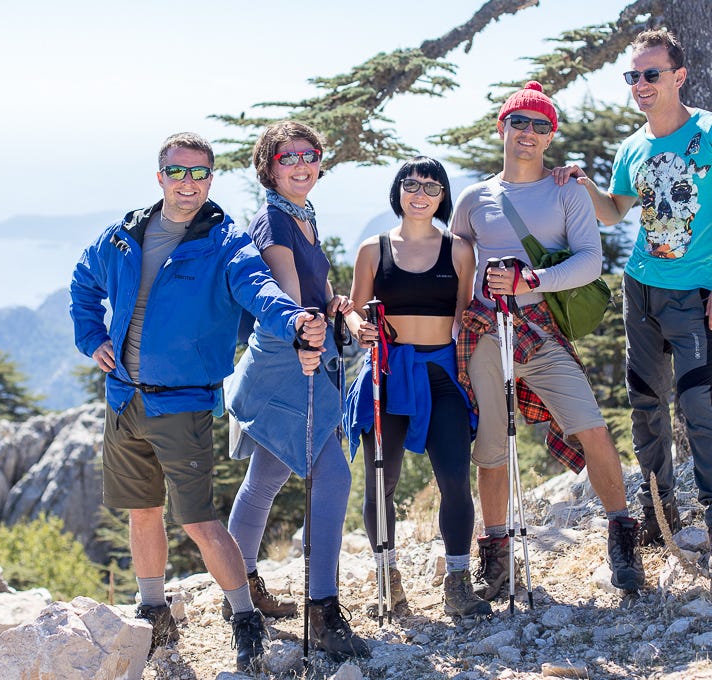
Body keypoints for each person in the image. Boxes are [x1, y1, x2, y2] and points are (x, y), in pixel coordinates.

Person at [69, 132, 326, 672]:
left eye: (200, 173)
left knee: (199, 521)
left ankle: (244, 618)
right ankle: (154, 612)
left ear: (211, 178)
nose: (189, 183)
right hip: (124, 399)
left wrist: (295, 320)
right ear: (160, 176)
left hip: (182, 404)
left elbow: (259, 289)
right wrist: (91, 336)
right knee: (143, 512)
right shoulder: (124, 234)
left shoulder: (225, 241)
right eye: (178, 172)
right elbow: (83, 280)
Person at [553, 29, 712, 577]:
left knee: (698, 407)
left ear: (678, 76)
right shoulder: (633, 147)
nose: (640, 84)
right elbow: (614, 210)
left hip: (697, 293)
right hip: (640, 289)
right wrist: (584, 183)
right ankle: (658, 515)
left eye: (651, 74)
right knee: (645, 406)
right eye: (633, 76)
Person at [450, 81, 646, 598]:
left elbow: (590, 262)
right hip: (485, 329)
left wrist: (531, 280)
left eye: (541, 126)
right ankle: (496, 557)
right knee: (491, 445)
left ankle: (623, 538)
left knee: (591, 426)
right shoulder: (472, 199)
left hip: (540, 328)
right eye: (520, 122)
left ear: (551, 136)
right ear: (503, 127)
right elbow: (456, 266)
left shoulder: (567, 191)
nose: (529, 133)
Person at [225, 120, 369, 661]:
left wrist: (338, 308)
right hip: (290, 361)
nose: (301, 165)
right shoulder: (274, 222)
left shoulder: (302, 214)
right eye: (288, 158)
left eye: (309, 155)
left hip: (297, 356)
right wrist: (310, 327)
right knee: (332, 475)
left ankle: (241, 591)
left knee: (264, 479)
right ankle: (322, 609)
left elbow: (315, 289)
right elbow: (287, 295)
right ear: (269, 167)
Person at [343, 156, 491, 619]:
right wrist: (358, 328)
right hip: (387, 374)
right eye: (411, 184)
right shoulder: (373, 249)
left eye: (431, 186)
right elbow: (355, 310)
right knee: (380, 484)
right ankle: (388, 581)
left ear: (443, 196)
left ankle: (458, 583)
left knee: (455, 480)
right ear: (398, 192)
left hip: (442, 376)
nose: (420, 194)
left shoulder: (459, 250)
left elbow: (463, 312)